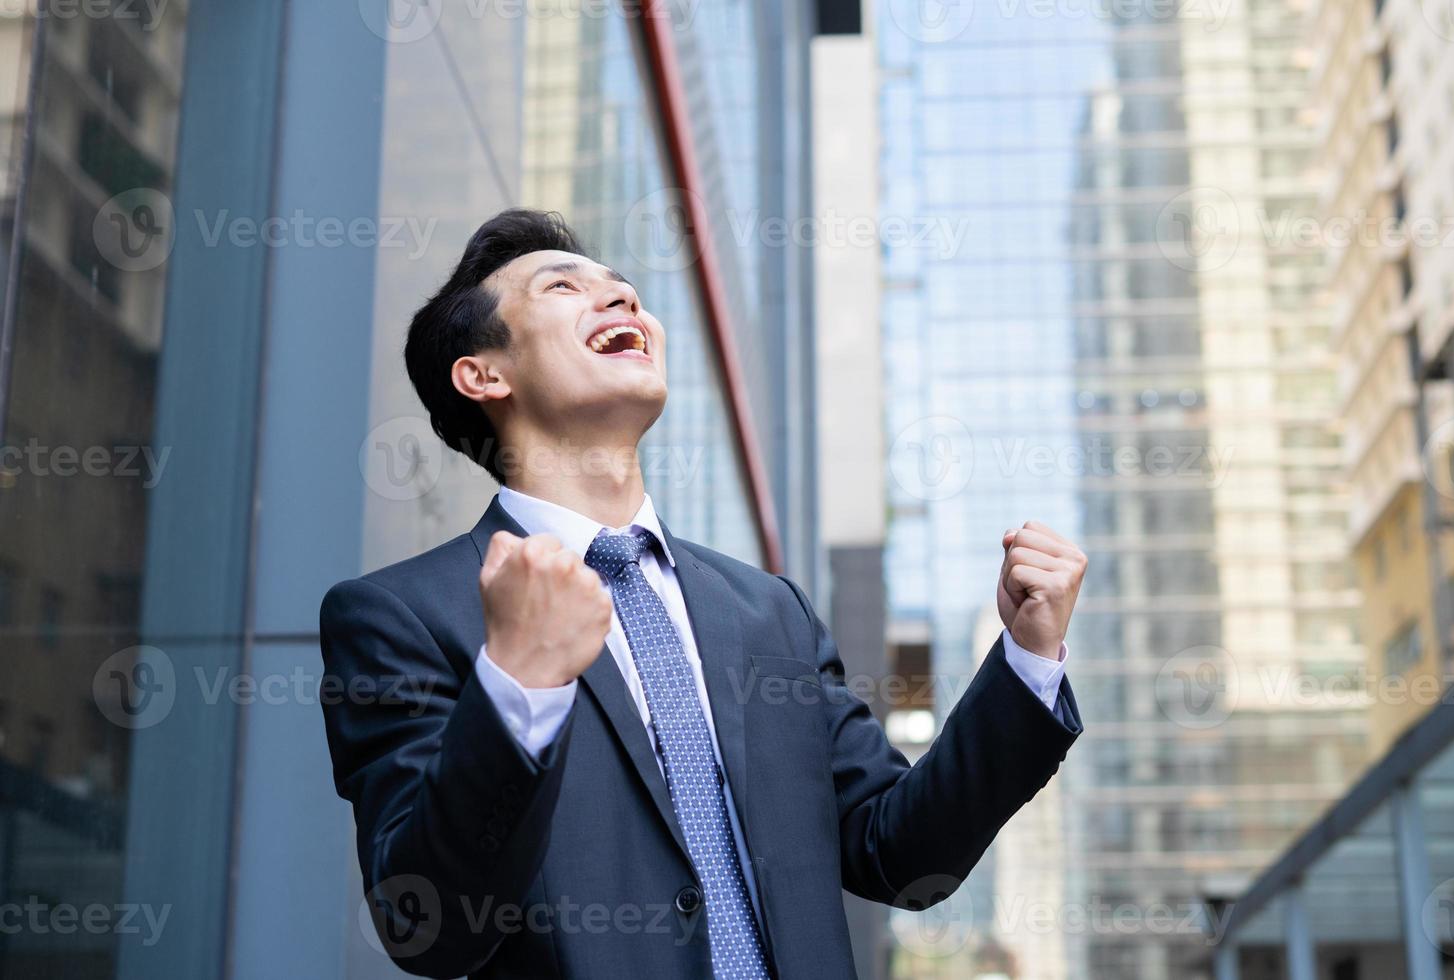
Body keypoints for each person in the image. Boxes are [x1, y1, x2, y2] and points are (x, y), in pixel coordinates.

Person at [318, 208, 1085, 980]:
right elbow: (428, 925)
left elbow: (901, 851)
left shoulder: (768, 611)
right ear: (484, 373)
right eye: (563, 286)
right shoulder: (400, 616)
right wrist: (516, 683)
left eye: (626, 291)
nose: (622, 302)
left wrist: (1026, 661)